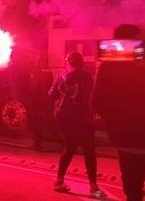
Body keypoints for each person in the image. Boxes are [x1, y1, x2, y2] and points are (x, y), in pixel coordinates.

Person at [94, 24, 145, 201]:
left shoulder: (107, 68)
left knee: (132, 188)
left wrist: (112, 121)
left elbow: (96, 103)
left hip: (124, 140)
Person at [49, 52, 105, 197]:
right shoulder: (87, 78)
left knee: (69, 148)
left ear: (68, 63)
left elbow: (52, 95)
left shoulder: (61, 76)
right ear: (81, 63)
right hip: (83, 118)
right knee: (89, 151)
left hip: (65, 117)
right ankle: (93, 186)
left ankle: (59, 181)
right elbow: (91, 98)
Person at [28, 53, 54, 152]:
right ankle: (63, 142)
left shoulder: (37, 70)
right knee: (49, 122)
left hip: (38, 101)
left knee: (36, 123)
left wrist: (32, 97)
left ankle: (37, 144)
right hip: (47, 100)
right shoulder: (48, 70)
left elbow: (34, 86)